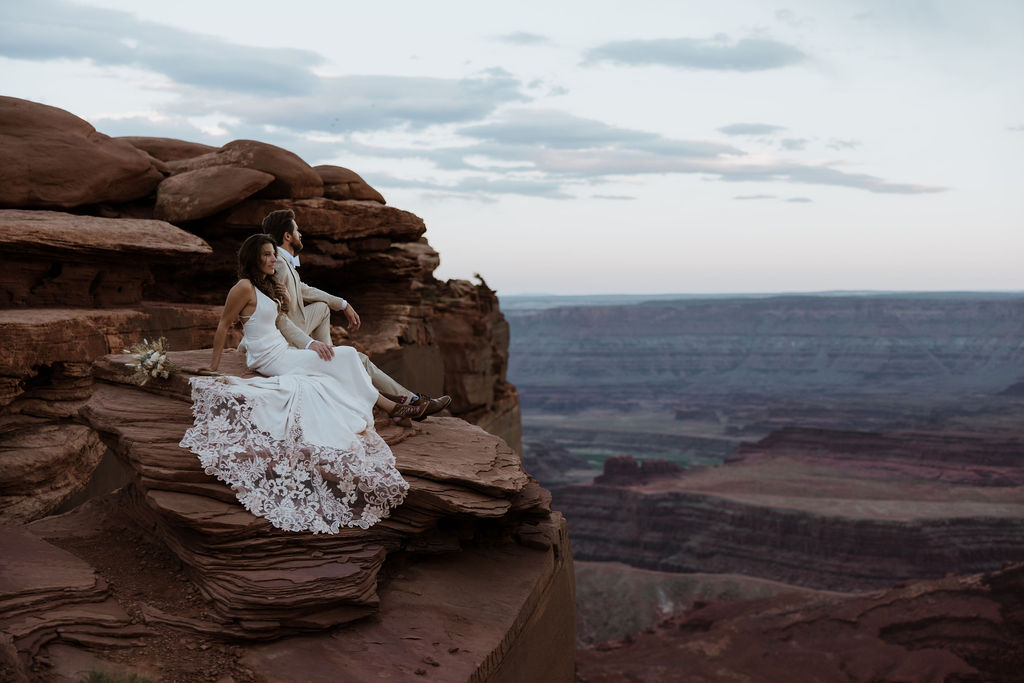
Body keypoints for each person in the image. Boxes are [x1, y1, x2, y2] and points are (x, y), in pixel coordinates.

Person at [179, 234, 425, 534]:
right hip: (270, 358)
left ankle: (389, 405)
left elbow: (281, 322)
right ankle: (391, 406)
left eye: (274, 254)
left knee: (340, 361)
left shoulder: (265, 286)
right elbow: (223, 324)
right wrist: (215, 367)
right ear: (254, 258)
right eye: (268, 255)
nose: (274, 259)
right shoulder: (243, 287)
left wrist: (289, 309)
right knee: (346, 356)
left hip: (284, 351)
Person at [259, 208, 450, 420]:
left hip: (296, 332)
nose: (301, 234)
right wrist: (308, 344)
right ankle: (410, 401)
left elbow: (303, 289)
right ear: (287, 236)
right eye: (297, 230)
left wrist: (342, 304)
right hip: (290, 342)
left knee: (323, 307)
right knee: (359, 360)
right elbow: (279, 317)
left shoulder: (284, 263)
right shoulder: (279, 266)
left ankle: (335, 356)